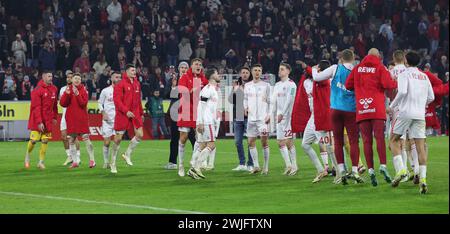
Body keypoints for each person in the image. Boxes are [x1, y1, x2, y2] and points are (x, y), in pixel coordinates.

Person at [346, 48, 397, 186]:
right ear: (378, 56)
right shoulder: (380, 68)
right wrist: (395, 82)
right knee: (379, 137)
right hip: (377, 107)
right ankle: (383, 166)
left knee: (366, 141)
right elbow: (388, 85)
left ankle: (370, 170)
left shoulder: (357, 68)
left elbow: (348, 85)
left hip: (362, 108)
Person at [311, 49, 360, 185]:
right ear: (353, 59)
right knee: (353, 141)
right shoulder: (357, 72)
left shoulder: (335, 68)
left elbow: (316, 78)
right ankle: (355, 170)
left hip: (335, 110)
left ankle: (341, 170)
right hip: (351, 110)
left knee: (337, 141)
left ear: (341, 59)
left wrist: (315, 69)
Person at [389, 51, 434, 194]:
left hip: (405, 112)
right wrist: (422, 104)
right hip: (420, 114)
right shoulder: (424, 76)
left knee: (393, 140)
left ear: (406, 62)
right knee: (420, 147)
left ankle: (401, 169)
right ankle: (423, 179)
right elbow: (431, 97)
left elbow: (401, 92)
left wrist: (391, 107)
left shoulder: (404, 74)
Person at [177, 58, 208, 177]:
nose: (198, 66)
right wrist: (193, 90)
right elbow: (181, 91)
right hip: (185, 110)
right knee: (183, 138)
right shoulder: (185, 77)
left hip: (198, 112)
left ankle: (194, 162)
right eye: (196, 64)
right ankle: (180, 165)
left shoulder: (203, 79)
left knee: (199, 138)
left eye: (200, 64)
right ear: (191, 66)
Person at [187, 68, 221, 179]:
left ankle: (192, 168)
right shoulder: (208, 89)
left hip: (205, 121)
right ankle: (196, 167)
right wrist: (200, 122)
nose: (218, 75)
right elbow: (200, 105)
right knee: (211, 145)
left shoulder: (212, 89)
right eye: (216, 73)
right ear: (212, 76)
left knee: (201, 146)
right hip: (206, 122)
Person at [110, 64, 144, 174]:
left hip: (135, 113)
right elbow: (117, 101)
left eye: (135, 70)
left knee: (140, 135)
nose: (134, 72)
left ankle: (127, 154)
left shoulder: (137, 84)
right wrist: (126, 111)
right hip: (123, 114)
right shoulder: (120, 84)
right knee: (118, 138)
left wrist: (141, 112)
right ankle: (113, 162)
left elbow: (138, 100)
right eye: (132, 70)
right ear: (127, 72)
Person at [60, 73, 96, 169]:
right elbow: (63, 104)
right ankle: (75, 162)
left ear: (81, 81)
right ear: (72, 80)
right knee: (71, 140)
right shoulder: (67, 90)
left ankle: (92, 160)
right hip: (71, 118)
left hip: (81, 118)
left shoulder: (84, 90)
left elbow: (83, 103)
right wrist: (67, 94)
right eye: (75, 78)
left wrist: (77, 94)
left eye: (79, 79)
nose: (77, 80)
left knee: (85, 137)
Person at [165, 62, 196, 170]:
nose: (183, 69)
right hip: (175, 113)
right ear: (178, 69)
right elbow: (167, 95)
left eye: (185, 67)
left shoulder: (191, 79)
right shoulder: (173, 80)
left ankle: (197, 160)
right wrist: (173, 87)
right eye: (182, 67)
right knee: (174, 138)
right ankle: (172, 162)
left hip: (188, 112)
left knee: (193, 137)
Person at [25, 71, 58, 169]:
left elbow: (55, 105)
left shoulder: (54, 89)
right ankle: (27, 156)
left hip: (48, 120)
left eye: (51, 76)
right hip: (37, 119)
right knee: (34, 140)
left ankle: (41, 162)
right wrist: (39, 122)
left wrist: (55, 117)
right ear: (43, 77)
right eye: (49, 76)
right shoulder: (37, 90)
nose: (51, 78)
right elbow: (36, 107)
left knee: (45, 140)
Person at [269, 63, 298, 176]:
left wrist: (283, 113)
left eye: (282, 69)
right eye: (279, 69)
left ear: (288, 71)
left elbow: (290, 100)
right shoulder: (277, 85)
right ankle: (288, 165)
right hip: (279, 117)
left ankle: (295, 166)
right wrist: (272, 114)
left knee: (289, 142)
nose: (280, 71)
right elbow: (274, 101)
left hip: (288, 117)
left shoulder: (291, 85)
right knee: (280, 142)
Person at [244, 64, 271, 174]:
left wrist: (269, 114)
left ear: (261, 72)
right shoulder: (247, 85)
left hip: (262, 119)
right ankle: (256, 166)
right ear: (252, 72)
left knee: (264, 142)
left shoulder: (266, 85)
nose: (257, 72)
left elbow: (271, 101)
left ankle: (266, 166)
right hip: (251, 118)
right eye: (255, 70)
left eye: (259, 70)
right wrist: (245, 107)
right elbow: (245, 99)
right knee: (250, 142)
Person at [228, 66, 253, 171]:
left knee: (250, 141)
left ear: (249, 74)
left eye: (247, 72)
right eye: (243, 72)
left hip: (249, 116)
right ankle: (242, 163)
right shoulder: (236, 85)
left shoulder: (252, 85)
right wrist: (234, 91)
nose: (245, 74)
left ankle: (250, 164)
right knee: (238, 141)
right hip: (237, 115)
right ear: (240, 74)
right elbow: (230, 100)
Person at [98, 71, 121, 171]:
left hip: (118, 120)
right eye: (116, 77)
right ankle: (106, 162)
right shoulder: (105, 91)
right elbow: (99, 103)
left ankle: (113, 162)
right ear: (112, 79)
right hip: (108, 121)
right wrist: (103, 113)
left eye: (120, 77)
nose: (118, 79)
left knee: (117, 141)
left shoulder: (123, 91)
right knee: (107, 142)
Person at [59, 70, 81, 166]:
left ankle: (78, 156)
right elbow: (62, 103)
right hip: (64, 115)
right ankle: (69, 156)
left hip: (74, 116)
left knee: (74, 137)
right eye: (67, 77)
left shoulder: (78, 89)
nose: (68, 79)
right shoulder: (63, 89)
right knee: (63, 136)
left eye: (70, 77)